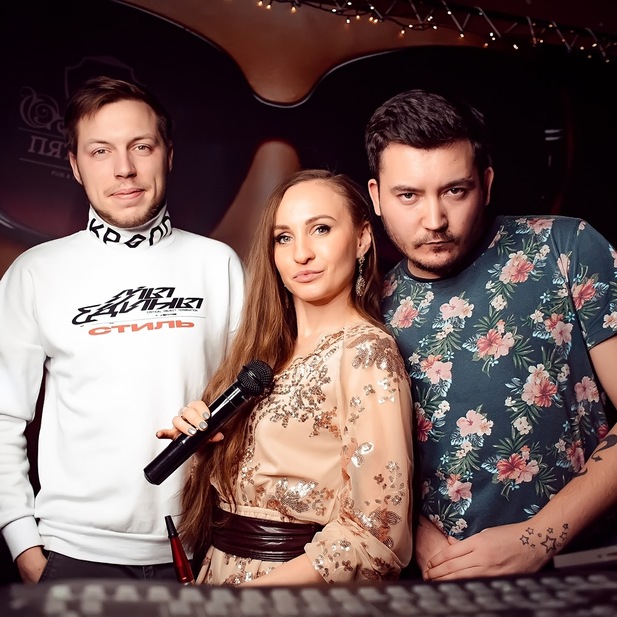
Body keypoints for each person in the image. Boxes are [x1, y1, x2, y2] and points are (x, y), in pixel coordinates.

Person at [364, 88, 617, 581]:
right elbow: (364, 457)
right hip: (439, 584)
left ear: (486, 182)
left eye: (455, 191)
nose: (434, 220)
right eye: (408, 195)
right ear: (376, 197)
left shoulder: (566, 248)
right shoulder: (370, 312)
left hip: (578, 572)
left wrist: (538, 539)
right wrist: (412, 532)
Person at [0, 76, 245, 583]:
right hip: (72, 555)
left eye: (141, 146)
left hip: (203, 549)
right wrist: (23, 542)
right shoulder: (35, 272)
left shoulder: (217, 264)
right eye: (100, 151)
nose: (124, 169)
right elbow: (2, 416)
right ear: (74, 165)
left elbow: (251, 411)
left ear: (168, 154)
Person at [157, 169, 414, 585]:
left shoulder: (366, 353)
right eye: (284, 237)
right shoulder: (263, 352)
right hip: (217, 573)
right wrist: (204, 448)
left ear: (363, 238)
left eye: (321, 229)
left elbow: (376, 536)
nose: (301, 254)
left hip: (286, 591)